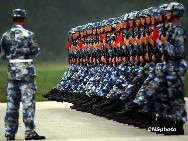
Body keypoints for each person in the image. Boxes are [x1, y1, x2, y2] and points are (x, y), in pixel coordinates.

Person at [0, 9, 45, 140]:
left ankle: (9, 133)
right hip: (27, 73)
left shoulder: (5, 35)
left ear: (12, 20)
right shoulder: (29, 34)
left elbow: (2, 55)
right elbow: (36, 52)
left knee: (12, 104)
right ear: (24, 19)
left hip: (12, 72)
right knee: (28, 103)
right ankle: (29, 132)